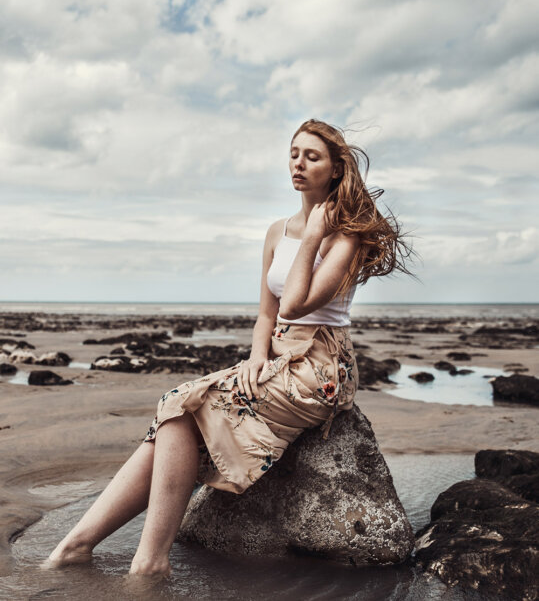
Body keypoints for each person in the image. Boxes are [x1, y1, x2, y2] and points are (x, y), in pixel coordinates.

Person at [42, 119, 417, 578]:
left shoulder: (346, 236)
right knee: (175, 419)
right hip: (277, 357)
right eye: (294, 153)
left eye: (312, 156)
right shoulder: (277, 230)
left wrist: (315, 235)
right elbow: (267, 314)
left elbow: (296, 305)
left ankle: (145, 561)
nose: (298, 163)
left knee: (181, 407)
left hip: (320, 367)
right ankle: (82, 547)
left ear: (337, 169)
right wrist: (257, 358)